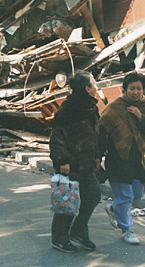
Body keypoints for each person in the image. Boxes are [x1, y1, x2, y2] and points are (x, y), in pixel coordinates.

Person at [100, 71, 145, 245]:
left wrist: (140, 116)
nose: (135, 92)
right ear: (124, 89)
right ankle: (126, 229)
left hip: (138, 158)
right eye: (132, 88)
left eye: (138, 88)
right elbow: (102, 131)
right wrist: (97, 157)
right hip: (118, 158)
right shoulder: (114, 107)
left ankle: (114, 208)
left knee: (136, 193)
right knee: (125, 196)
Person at [49, 70, 102, 253]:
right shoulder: (69, 109)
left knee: (93, 196)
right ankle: (59, 238)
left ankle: (78, 231)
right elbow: (57, 137)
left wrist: (97, 156)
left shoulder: (91, 108)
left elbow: (95, 134)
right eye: (93, 83)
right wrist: (62, 160)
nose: (96, 86)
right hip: (70, 164)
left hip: (87, 163)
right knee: (67, 203)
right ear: (87, 88)